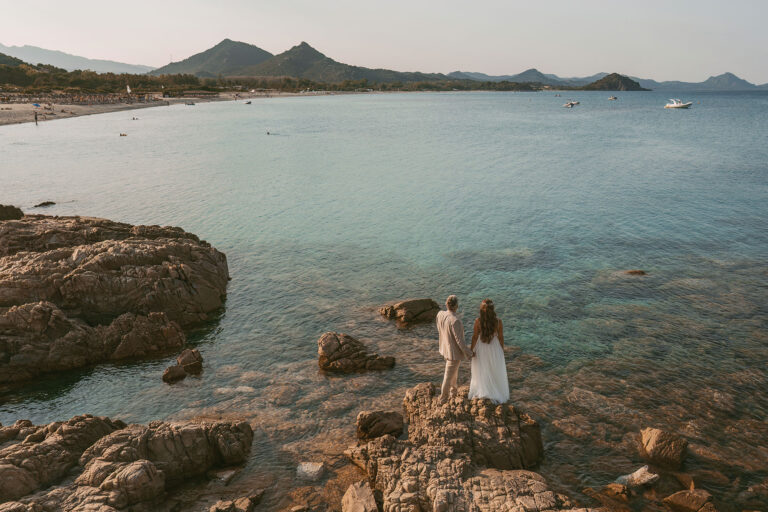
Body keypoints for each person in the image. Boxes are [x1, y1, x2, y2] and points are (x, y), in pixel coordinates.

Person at [468, 299, 509, 403]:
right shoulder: (499, 322)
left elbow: (474, 337)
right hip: (494, 347)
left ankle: (483, 389)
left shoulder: (478, 321)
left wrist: (471, 350)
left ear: (482, 310)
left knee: (482, 368)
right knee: (493, 368)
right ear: (493, 309)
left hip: (481, 347)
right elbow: (500, 337)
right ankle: (494, 392)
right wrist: (501, 350)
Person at [436, 294, 473, 403]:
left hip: (444, 349)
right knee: (448, 376)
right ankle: (443, 398)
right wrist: (469, 353)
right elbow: (460, 342)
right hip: (453, 354)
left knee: (453, 372)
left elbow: (439, 329)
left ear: (447, 304)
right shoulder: (455, 321)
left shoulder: (440, 314)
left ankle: (453, 391)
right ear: (456, 306)